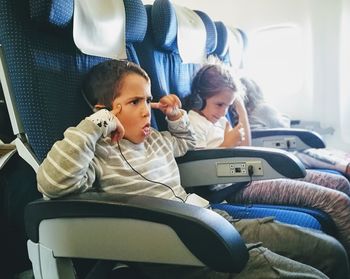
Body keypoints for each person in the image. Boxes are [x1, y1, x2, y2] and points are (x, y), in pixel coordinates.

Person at [37, 59, 348, 278]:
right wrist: (97, 125)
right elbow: (52, 183)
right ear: (104, 112)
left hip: (211, 219)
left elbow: (188, 143)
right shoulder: (98, 156)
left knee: (330, 252)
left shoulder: (157, 141)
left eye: (148, 100)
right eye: (134, 102)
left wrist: (174, 116)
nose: (147, 110)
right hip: (174, 246)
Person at [186, 62, 350, 261]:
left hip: (250, 174)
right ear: (199, 97)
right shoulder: (193, 122)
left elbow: (245, 145)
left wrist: (239, 109)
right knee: (338, 201)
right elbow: (199, 171)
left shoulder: (219, 120)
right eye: (219, 104)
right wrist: (226, 145)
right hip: (234, 186)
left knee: (340, 183)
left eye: (228, 105)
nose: (223, 111)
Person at [241, 76, 350, 180]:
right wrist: (285, 118)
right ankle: (345, 166)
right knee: (307, 154)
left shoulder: (243, 115)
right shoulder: (263, 109)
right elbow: (284, 129)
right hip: (278, 152)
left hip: (265, 153)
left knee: (312, 153)